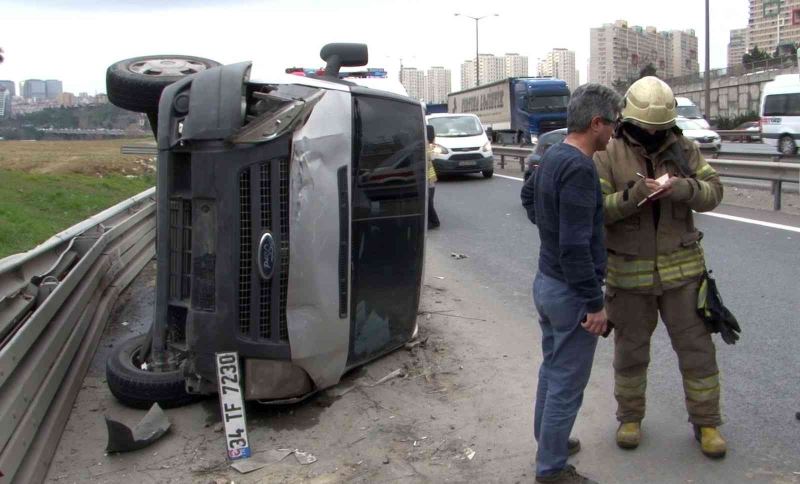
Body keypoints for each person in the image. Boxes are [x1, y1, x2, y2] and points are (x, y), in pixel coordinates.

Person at [593, 76, 726, 458]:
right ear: (629, 120)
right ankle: (630, 418)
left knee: (698, 351)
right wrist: (635, 196)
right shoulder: (608, 153)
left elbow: (713, 191)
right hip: (629, 275)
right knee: (630, 353)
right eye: (647, 128)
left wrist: (684, 189)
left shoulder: (684, 148)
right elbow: (598, 209)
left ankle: (708, 424)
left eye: (660, 128)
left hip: (683, 274)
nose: (653, 134)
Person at [521, 83, 621, 484]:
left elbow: (529, 200)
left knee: (552, 369)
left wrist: (550, 228)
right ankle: (552, 468)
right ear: (596, 123)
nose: (614, 133)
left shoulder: (551, 155)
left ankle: (550, 442)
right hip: (569, 292)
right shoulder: (580, 168)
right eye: (612, 124)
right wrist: (595, 304)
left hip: (546, 283)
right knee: (566, 381)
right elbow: (576, 247)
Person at [426, 136, 440, 230]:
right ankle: (430, 221)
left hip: (429, 180)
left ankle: (435, 222)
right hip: (427, 180)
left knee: (429, 203)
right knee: (428, 202)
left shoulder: (426, 145)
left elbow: (432, 156)